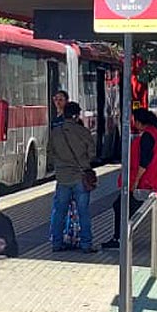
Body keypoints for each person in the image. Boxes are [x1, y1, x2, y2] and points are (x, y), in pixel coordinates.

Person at [103, 108, 157, 249]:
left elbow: (144, 161)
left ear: (138, 121)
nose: (132, 123)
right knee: (122, 207)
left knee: (120, 207)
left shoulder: (148, 136)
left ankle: (120, 238)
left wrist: (136, 181)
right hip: (151, 179)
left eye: (133, 120)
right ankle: (121, 237)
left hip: (144, 182)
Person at [47, 102, 98, 252]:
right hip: (80, 178)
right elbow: (92, 154)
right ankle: (86, 244)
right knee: (83, 212)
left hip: (62, 178)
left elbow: (50, 155)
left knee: (59, 212)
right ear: (76, 116)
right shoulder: (83, 132)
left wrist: (61, 163)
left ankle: (56, 243)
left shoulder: (55, 132)